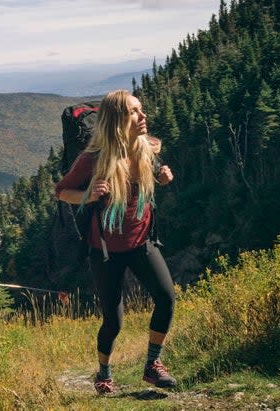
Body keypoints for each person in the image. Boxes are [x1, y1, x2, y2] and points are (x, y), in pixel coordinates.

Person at [54, 90, 176, 394]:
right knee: (114, 321)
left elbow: (154, 177)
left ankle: (152, 366)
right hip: (106, 252)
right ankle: (104, 374)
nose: (143, 116)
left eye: (141, 110)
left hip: (141, 242)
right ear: (117, 120)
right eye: (134, 112)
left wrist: (162, 178)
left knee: (166, 299)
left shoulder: (145, 148)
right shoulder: (92, 159)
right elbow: (61, 191)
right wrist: (89, 196)